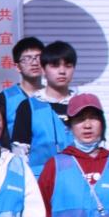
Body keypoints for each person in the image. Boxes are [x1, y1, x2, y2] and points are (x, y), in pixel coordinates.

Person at [12, 41, 76, 178]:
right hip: (39, 182)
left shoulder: (82, 105)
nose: (62, 71)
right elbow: (19, 154)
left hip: (76, 181)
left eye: (68, 65)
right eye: (55, 65)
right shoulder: (28, 106)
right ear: (43, 68)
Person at [0, 37, 45, 137]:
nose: (34, 63)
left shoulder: (52, 95)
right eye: (27, 59)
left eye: (38, 57)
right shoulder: (5, 98)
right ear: (17, 67)